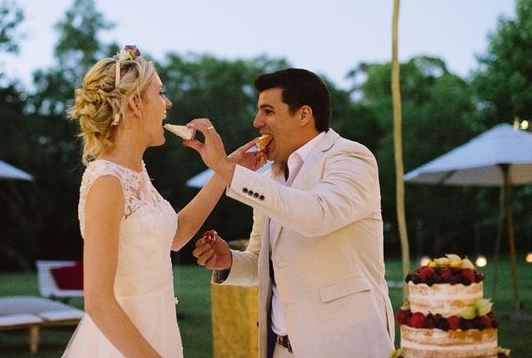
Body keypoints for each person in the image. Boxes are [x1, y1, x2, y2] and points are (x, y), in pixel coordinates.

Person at [62, 46, 262, 358]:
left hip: (159, 329)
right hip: (124, 343)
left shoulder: (136, 172)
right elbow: (98, 302)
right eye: (160, 93)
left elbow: (176, 236)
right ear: (135, 104)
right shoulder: (107, 181)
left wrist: (226, 168)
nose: (168, 104)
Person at [188, 68, 395, 358]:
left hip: (346, 347)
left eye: (268, 111)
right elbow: (264, 262)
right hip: (281, 349)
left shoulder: (350, 157)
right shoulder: (273, 177)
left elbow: (317, 215)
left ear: (303, 115)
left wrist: (226, 168)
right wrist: (229, 261)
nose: (257, 122)